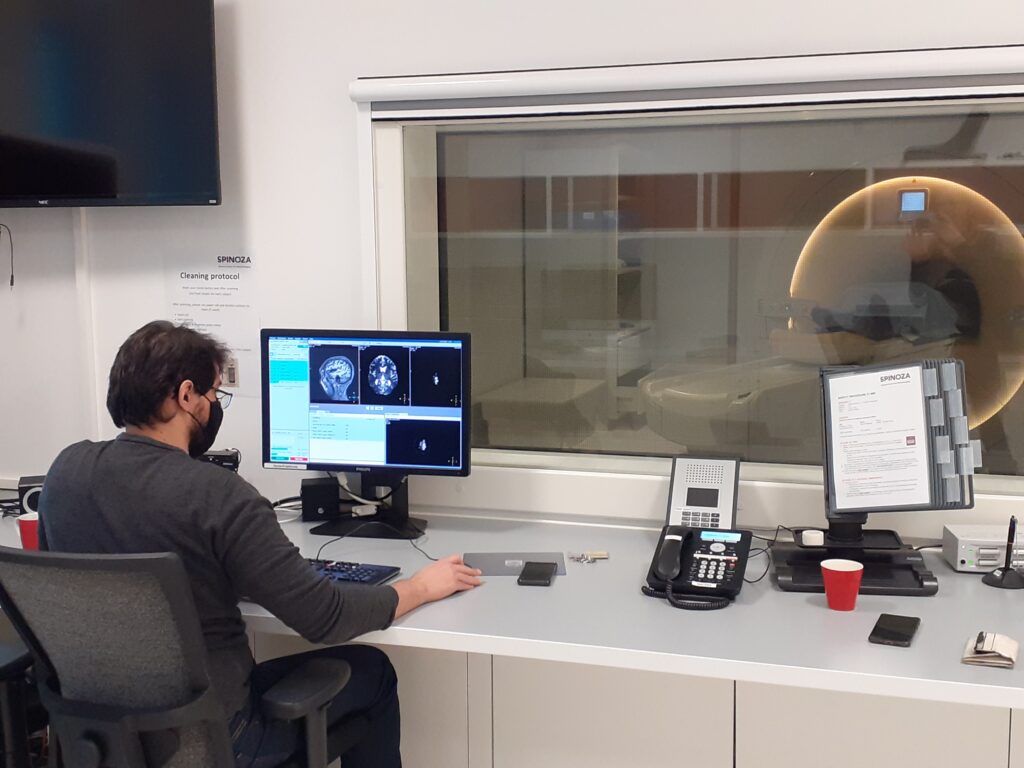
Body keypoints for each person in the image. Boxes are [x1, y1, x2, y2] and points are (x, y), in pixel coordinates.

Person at [37, 320, 482, 768]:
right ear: (186, 396)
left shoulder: (66, 472)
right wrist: (422, 587)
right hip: (218, 740)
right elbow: (325, 617)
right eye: (214, 395)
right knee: (375, 673)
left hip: (99, 738)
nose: (214, 406)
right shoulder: (217, 494)